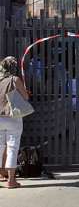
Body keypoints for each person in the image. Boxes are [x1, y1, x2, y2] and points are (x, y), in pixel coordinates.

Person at [0, 56, 30, 189]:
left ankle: (1, 175)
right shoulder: (15, 79)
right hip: (13, 117)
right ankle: (11, 181)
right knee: (12, 147)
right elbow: (25, 97)